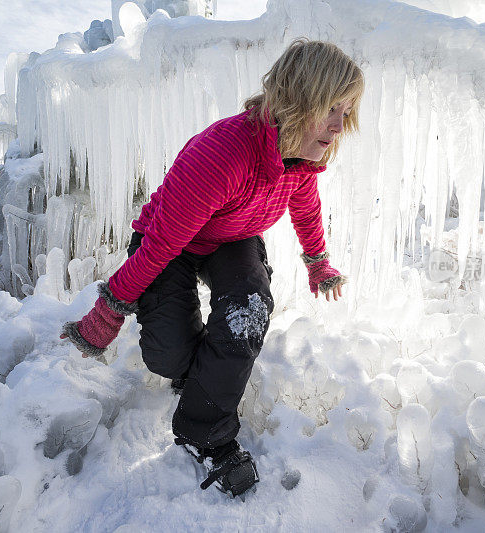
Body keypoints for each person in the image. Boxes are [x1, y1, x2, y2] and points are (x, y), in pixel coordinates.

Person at [61, 38, 364, 497]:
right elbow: (161, 246)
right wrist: (110, 309)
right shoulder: (223, 154)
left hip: (231, 239)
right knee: (168, 359)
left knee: (248, 311)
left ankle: (205, 430)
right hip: (167, 244)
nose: (341, 126)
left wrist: (318, 262)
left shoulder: (299, 159)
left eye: (347, 111)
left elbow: (304, 205)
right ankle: (197, 365)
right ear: (301, 99)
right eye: (332, 109)